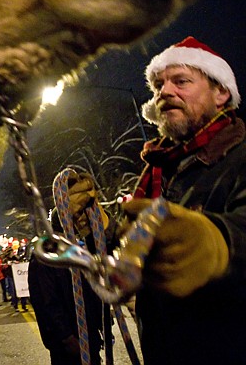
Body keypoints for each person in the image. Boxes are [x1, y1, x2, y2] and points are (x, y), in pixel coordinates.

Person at [116, 36, 245, 363]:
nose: (165, 92)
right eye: (159, 85)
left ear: (221, 92)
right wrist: (97, 225)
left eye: (181, 81)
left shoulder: (241, 157)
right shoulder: (161, 170)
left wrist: (216, 241)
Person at [29, 208, 106, 365]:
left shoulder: (77, 252)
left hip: (89, 335)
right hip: (69, 343)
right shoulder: (46, 257)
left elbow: (91, 290)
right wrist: (66, 337)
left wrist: (101, 321)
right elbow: (47, 301)